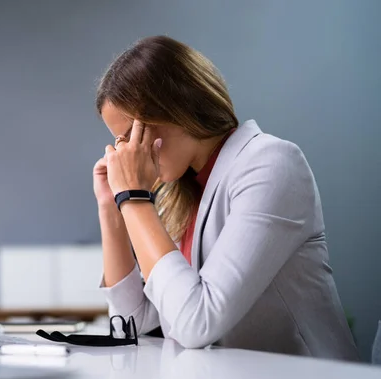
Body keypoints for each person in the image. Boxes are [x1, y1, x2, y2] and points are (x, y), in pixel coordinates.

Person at [94, 35, 359, 360]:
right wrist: (111, 206)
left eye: (131, 135)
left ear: (176, 107)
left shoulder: (271, 164)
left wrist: (133, 198)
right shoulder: (179, 194)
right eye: (119, 141)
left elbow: (196, 322)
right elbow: (134, 323)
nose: (126, 152)